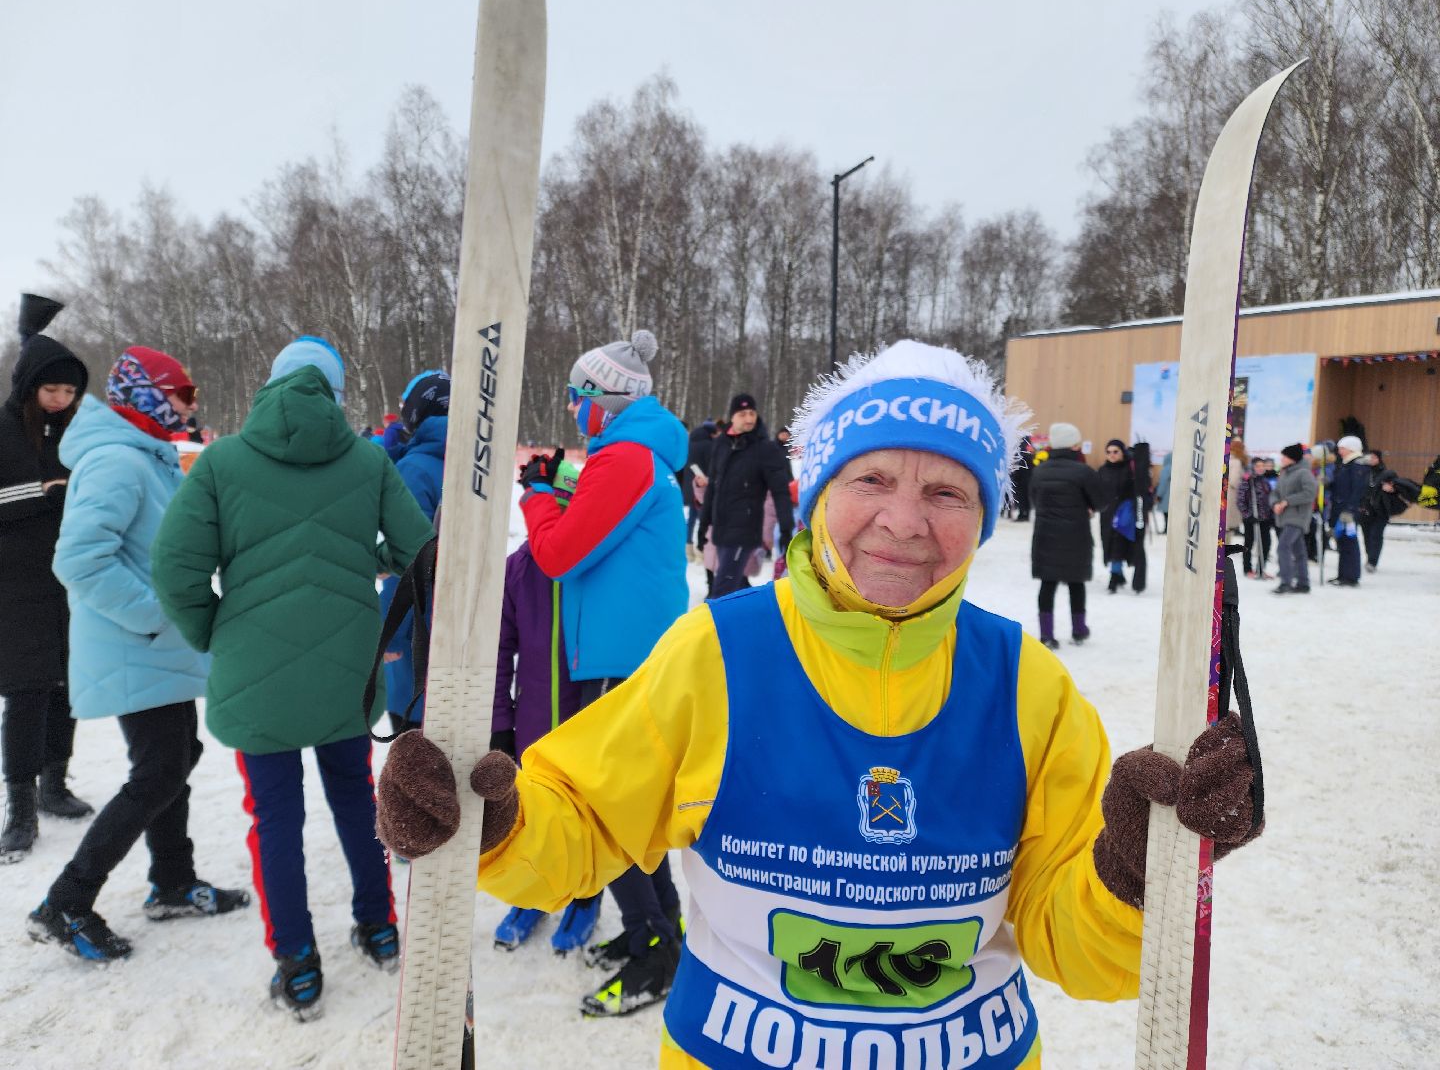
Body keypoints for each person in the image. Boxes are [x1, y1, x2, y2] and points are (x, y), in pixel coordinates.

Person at [376, 339, 1262, 1069]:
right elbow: (583, 818)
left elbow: (1074, 941)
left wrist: (1132, 877)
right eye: (871, 480)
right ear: (816, 493)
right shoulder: (718, 656)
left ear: (986, 517)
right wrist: (494, 826)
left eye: (948, 492)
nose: (905, 522)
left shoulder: (1029, 689)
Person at [150, 337, 435, 1020]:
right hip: (344, 677)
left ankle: (299, 967)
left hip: (258, 684)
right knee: (355, 799)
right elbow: (420, 551)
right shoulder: (367, 460)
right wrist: (357, 556)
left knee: (274, 818)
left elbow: (174, 569)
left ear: (269, 387)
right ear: (335, 395)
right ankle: (380, 926)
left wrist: (214, 632)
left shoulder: (220, 462)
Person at [27, 347, 249, 963]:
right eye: (182, 392)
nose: (190, 404)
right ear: (147, 393)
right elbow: (78, 560)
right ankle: (65, 901)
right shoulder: (118, 462)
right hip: (137, 643)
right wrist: (157, 614)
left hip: (157, 647)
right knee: (158, 769)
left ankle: (173, 882)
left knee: (178, 756)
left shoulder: (149, 457)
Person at [515, 328, 689, 1015]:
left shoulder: (627, 462)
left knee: (610, 809)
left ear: (604, 402)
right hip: (628, 651)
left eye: (574, 397)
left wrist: (533, 499)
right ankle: (661, 931)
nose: (568, 409)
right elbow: (594, 503)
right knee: (633, 808)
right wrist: (558, 481)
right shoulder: (634, 455)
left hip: (622, 658)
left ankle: (654, 952)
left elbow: (559, 552)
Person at [489, 461, 598, 954]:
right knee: (529, 813)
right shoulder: (519, 566)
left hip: (586, 718)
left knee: (588, 815)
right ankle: (533, 892)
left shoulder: (594, 563)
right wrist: (499, 726)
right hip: (533, 719)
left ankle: (585, 894)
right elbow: (499, 650)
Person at [1, 295, 94, 862]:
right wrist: (43, 494)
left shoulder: (75, 432)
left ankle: (55, 784)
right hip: (15, 585)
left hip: (70, 577)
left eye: (70, 392)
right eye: (51, 389)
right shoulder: (3, 430)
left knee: (69, 685)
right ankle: (19, 805)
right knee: (27, 691)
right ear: (31, 384)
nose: (61, 400)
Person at [378, 369, 450, 734]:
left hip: (416, 634)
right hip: (460, 629)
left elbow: (407, 558)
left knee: (413, 771)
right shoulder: (473, 466)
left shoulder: (414, 470)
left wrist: (388, 631)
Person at [697, 393, 795, 599]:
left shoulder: (764, 448)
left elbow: (780, 491)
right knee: (736, 583)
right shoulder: (722, 444)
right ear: (733, 417)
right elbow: (713, 488)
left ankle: (711, 628)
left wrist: (786, 528)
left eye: (752, 413)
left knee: (721, 591)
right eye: (743, 414)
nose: (749, 418)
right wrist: (704, 524)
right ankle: (757, 619)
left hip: (745, 531)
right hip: (721, 529)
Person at [1030, 422, 1103, 648]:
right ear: (1073, 445)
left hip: (1045, 535)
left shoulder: (1039, 470)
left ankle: (1046, 634)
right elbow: (1100, 500)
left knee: (1047, 584)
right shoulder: (1083, 472)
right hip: (1076, 536)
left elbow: (1033, 500)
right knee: (1076, 582)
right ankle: (1079, 629)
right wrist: (1089, 508)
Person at [1271, 443, 1318, 595]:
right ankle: (1303, 583)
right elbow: (1275, 492)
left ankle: (1286, 581)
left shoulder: (1304, 473)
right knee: (1299, 551)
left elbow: (1310, 493)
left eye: (1285, 456)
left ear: (1293, 458)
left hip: (1298, 517)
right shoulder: (1285, 473)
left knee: (1283, 546)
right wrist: (1275, 502)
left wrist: (1287, 501)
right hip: (1286, 516)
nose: (1282, 459)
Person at [1096, 438, 1138, 593]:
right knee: (1108, 543)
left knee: (1118, 545)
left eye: (1115, 451)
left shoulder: (1130, 470)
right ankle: (1119, 574)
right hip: (1107, 515)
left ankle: (1114, 577)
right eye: (1108, 452)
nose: (1112, 455)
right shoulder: (1102, 470)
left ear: (1122, 452)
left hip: (1124, 515)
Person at [1328, 435, 1367, 587]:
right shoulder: (1345, 464)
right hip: (1340, 508)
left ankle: (1351, 576)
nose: (1339, 451)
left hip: (1348, 511)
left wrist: (1350, 509)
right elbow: (1340, 486)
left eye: (1342, 448)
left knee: (1349, 542)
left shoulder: (1357, 465)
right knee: (1342, 542)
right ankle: (1342, 574)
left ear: (1351, 448)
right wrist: (1328, 483)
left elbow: (1358, 490)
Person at [682, 419, 717, 562]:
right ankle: (701, 550)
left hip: (689, 486)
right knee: (705, 520)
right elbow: (712, 467)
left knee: (691, 519)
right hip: (703, 488)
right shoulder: (710, 445)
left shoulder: (690, 443)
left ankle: (688, 549)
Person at [1236, 455, 1275, 579]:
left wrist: (1270, 515)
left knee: (1266, 543)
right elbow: (1240, 500)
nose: (1260, 468)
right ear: (1253, 467)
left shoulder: (1265, 481)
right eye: (1258, 466)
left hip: (1264, 518)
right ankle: (1247, 569)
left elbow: (1269, 497)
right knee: (1249, 543)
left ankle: (1261, 568)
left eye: (1262, 466)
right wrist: (1247, 515)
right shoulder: (1248, 480)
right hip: (1251, 518)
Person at [1358, 450, 1396, 573]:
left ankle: (1372, 561)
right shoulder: (1362, 472)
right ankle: (1370, 557)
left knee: (1376, 535)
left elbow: (1397, 487)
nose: (1371, 460)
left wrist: (1391, 488)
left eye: (1374, 457)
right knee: (1367, 536)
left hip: (1381, 510)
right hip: (1365, 509)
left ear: (1379, 458)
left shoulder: (1387, 474)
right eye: (1369, 457)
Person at [1155, 450, 1172, 534]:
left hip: (1166, 496)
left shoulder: (1166, 469)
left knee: (1166, 514)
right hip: (1174, 496)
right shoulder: (1178, 468)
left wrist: (1159, 495)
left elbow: (1163, 482)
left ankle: (1166, 529)